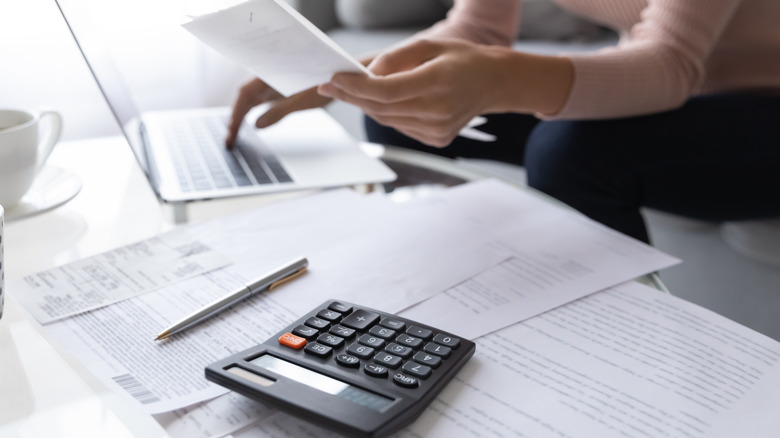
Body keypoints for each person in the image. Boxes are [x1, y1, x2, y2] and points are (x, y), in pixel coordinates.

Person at [226, 0, 780, 244]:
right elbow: (477, 29)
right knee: (397, 116)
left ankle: (620, 365)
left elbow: (671, 64)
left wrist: (497, 77)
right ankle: (444, 303)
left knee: (572, 149)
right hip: (681, 98)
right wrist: (341, 74)